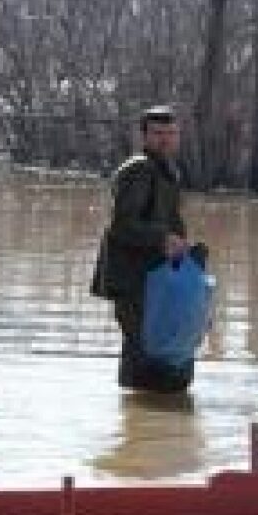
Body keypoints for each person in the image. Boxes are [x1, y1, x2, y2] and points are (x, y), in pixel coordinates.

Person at [92, 106, 198, 392]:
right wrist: (163, 238)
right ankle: (140, 422)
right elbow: (122, 225)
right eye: (157, 133)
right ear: (144, 136)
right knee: (143, 355)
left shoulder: (166, 171)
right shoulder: (139, 169)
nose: (165, 140)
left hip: (154, 279)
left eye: (171, 133)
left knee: (152, 353)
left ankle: (145, 420)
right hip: (134, 280)